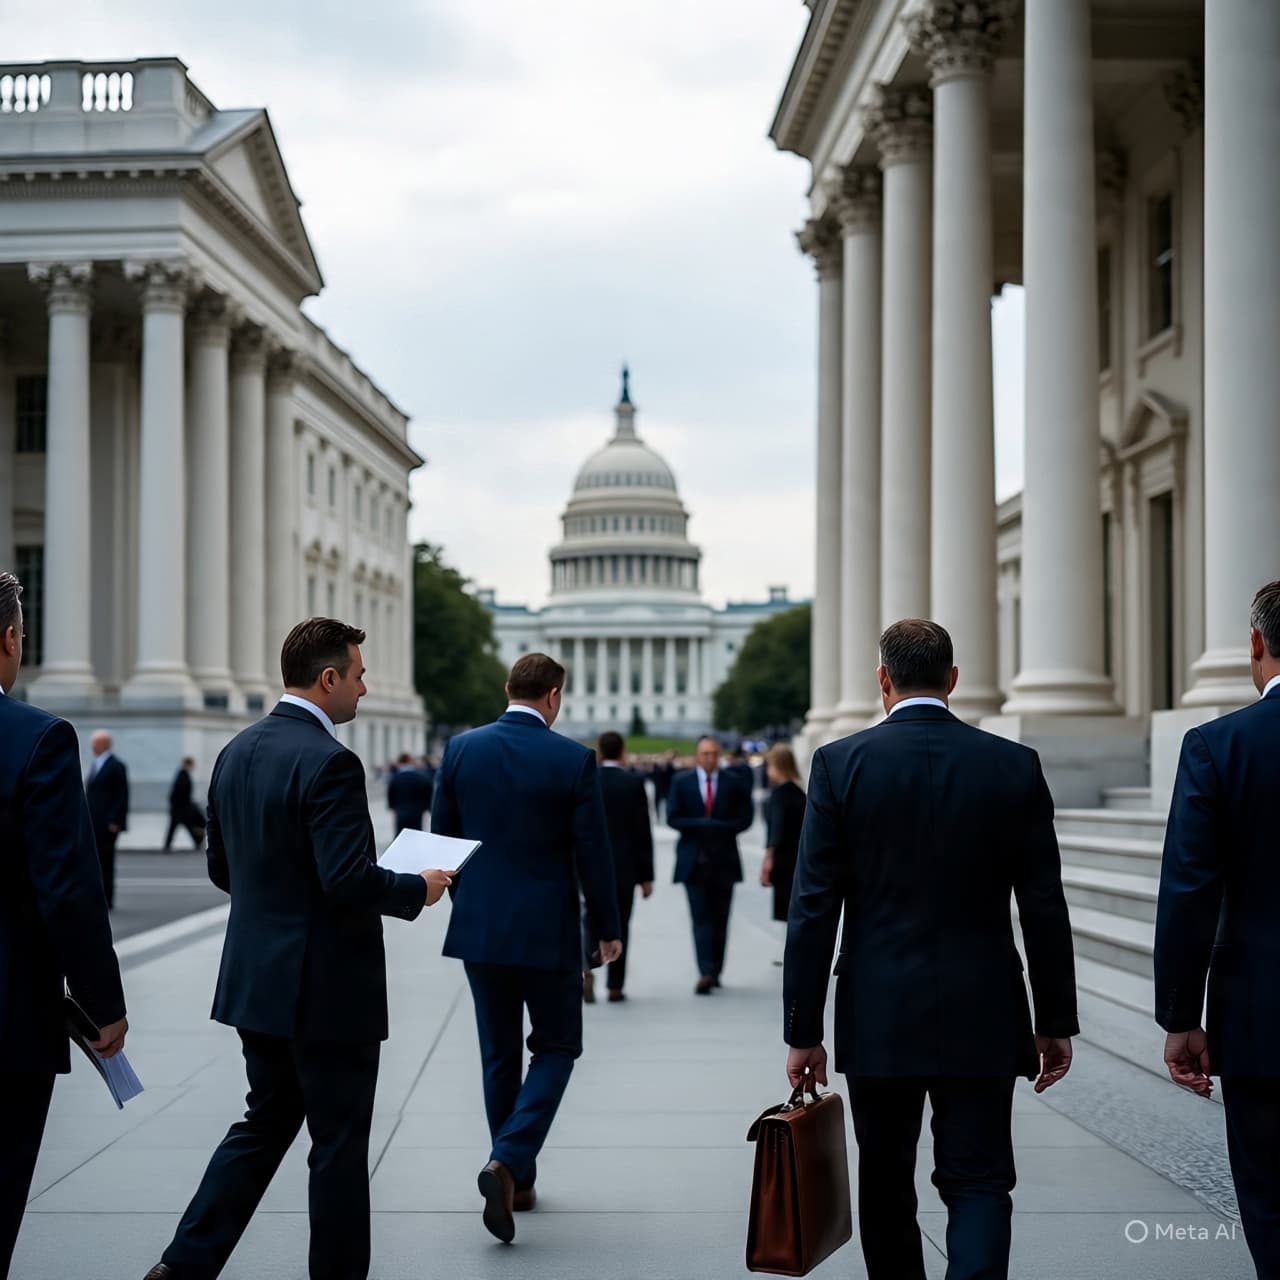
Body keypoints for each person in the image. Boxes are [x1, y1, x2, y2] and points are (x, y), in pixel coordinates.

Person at [143, 619, 453, 1280]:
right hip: (328, 989)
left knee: (262, 1126)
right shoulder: (331, 761)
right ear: (329, 677)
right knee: (338, 1146)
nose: (366, 689)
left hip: (259, 981)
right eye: (360, 675)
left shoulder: (236, 750)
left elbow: (224, 871)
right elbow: (345, 878)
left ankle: (185, 1263)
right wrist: (416, 888)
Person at [784, 619, 1077, 1280]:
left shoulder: (839, 764)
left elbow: (812, 909)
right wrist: (1054, 1020)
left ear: (882, 681)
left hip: (879, 1009)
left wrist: (803, 1029)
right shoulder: (1013, 764)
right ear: (952, 680)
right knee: (979, 1183)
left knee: (886, 1186)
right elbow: (1043, 905)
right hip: (985, 1007)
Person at [431, 653, 621, 1244]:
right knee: (559, 1046)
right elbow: (593, 852)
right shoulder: (571, 758)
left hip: (481, 930)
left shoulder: (461, 750)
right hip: (547, 929)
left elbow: (443, 839)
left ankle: (516, 1174)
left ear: (508, 689)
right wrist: (608, 929)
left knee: (498, 1055)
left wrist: (470, 903)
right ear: (554, 696)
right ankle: (509, 1162)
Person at [0, 570, 129, 1278]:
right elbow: (68, 891)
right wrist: (102, 1007)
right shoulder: (38, 738)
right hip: (8, 1008)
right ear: (12, 639)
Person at [1155, 579, 1280, 1278]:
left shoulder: (1217, 746)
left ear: (1256, 645)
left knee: (1269, 1200)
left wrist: (1181, 1015)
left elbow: (1188, 892)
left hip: (1260, 1016)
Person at [666, 736, 754, 995]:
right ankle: (705, 971)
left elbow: (745, 818)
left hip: (724, 858)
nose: (710, 758)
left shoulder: (733, 783)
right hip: (693, 859)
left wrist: (718, 827)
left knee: (721, 919)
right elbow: (673, 816)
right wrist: (702, 825)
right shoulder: (681, 782)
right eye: (705, 754)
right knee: (700, 918)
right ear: (697, 755)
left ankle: (715, 970)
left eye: (714, 753)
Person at [583, 731, 654, 1004]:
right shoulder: (633, 783)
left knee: (589, 919)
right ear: (622, 752)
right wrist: (646, 876)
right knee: (621, 923)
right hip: (624, 866)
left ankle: (587, 967)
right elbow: (642, 831)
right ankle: (615, 984)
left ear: (599, 752)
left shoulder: (588, 779)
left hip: (589, 864)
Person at [760, 744, 806, 941]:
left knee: (785, 907)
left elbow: (776, 829)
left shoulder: (779, 794)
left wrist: (768, 857)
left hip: (783, 857)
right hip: (798, 855)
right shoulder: (799, 792)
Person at [85, 728, 129, 908]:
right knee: (96, 862)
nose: (92, 747)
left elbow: (122, 795)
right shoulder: (97, 764)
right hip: (95, 822)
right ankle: (98, 896)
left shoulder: (116, 765)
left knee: (106, 862)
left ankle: (107, 899)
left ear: (103, 744)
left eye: (94, 744)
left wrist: (116, 821)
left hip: (107, 824)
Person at [163, 758, 204, 852]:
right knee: (188, 826)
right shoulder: (183, 777)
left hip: (178, 808)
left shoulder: (181, 775)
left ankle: (167, 845)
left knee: (175, 827)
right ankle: (197, 842)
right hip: (181, 808)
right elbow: (181, 794)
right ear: (187, 765)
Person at [386, 752, 433, 833]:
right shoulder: (420, 777)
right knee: (416, 833)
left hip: (400, 811)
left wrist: (393, 807)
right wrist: (426, 807)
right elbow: (428, 792)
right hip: (417, 811)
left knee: (401, 834)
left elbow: (391, 794)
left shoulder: (395, 778)